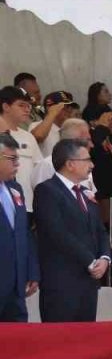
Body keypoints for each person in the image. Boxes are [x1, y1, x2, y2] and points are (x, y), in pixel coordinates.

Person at [33, 138, 109, 323]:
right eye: (87, 160)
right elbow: (57, 232)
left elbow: (100, 230)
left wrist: (105, 258)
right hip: (62, 282)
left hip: (88, 282)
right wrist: (89, 261)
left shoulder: (84, 193)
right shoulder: (47, 191)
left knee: (86, 341)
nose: (92, 165)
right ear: (70, 164)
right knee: (61, 342)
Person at [0, 134, 40, 322]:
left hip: (16, 288)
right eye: (12, 158)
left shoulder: (15, 189)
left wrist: (31, 270)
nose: (17, 164)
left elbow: (24, 232)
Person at [0, 86, 41, 200]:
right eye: (21, 105)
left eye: (28, 106)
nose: (27, 109)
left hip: (27, 202)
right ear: (6, 106)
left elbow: (38, 170)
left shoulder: (28, 137)